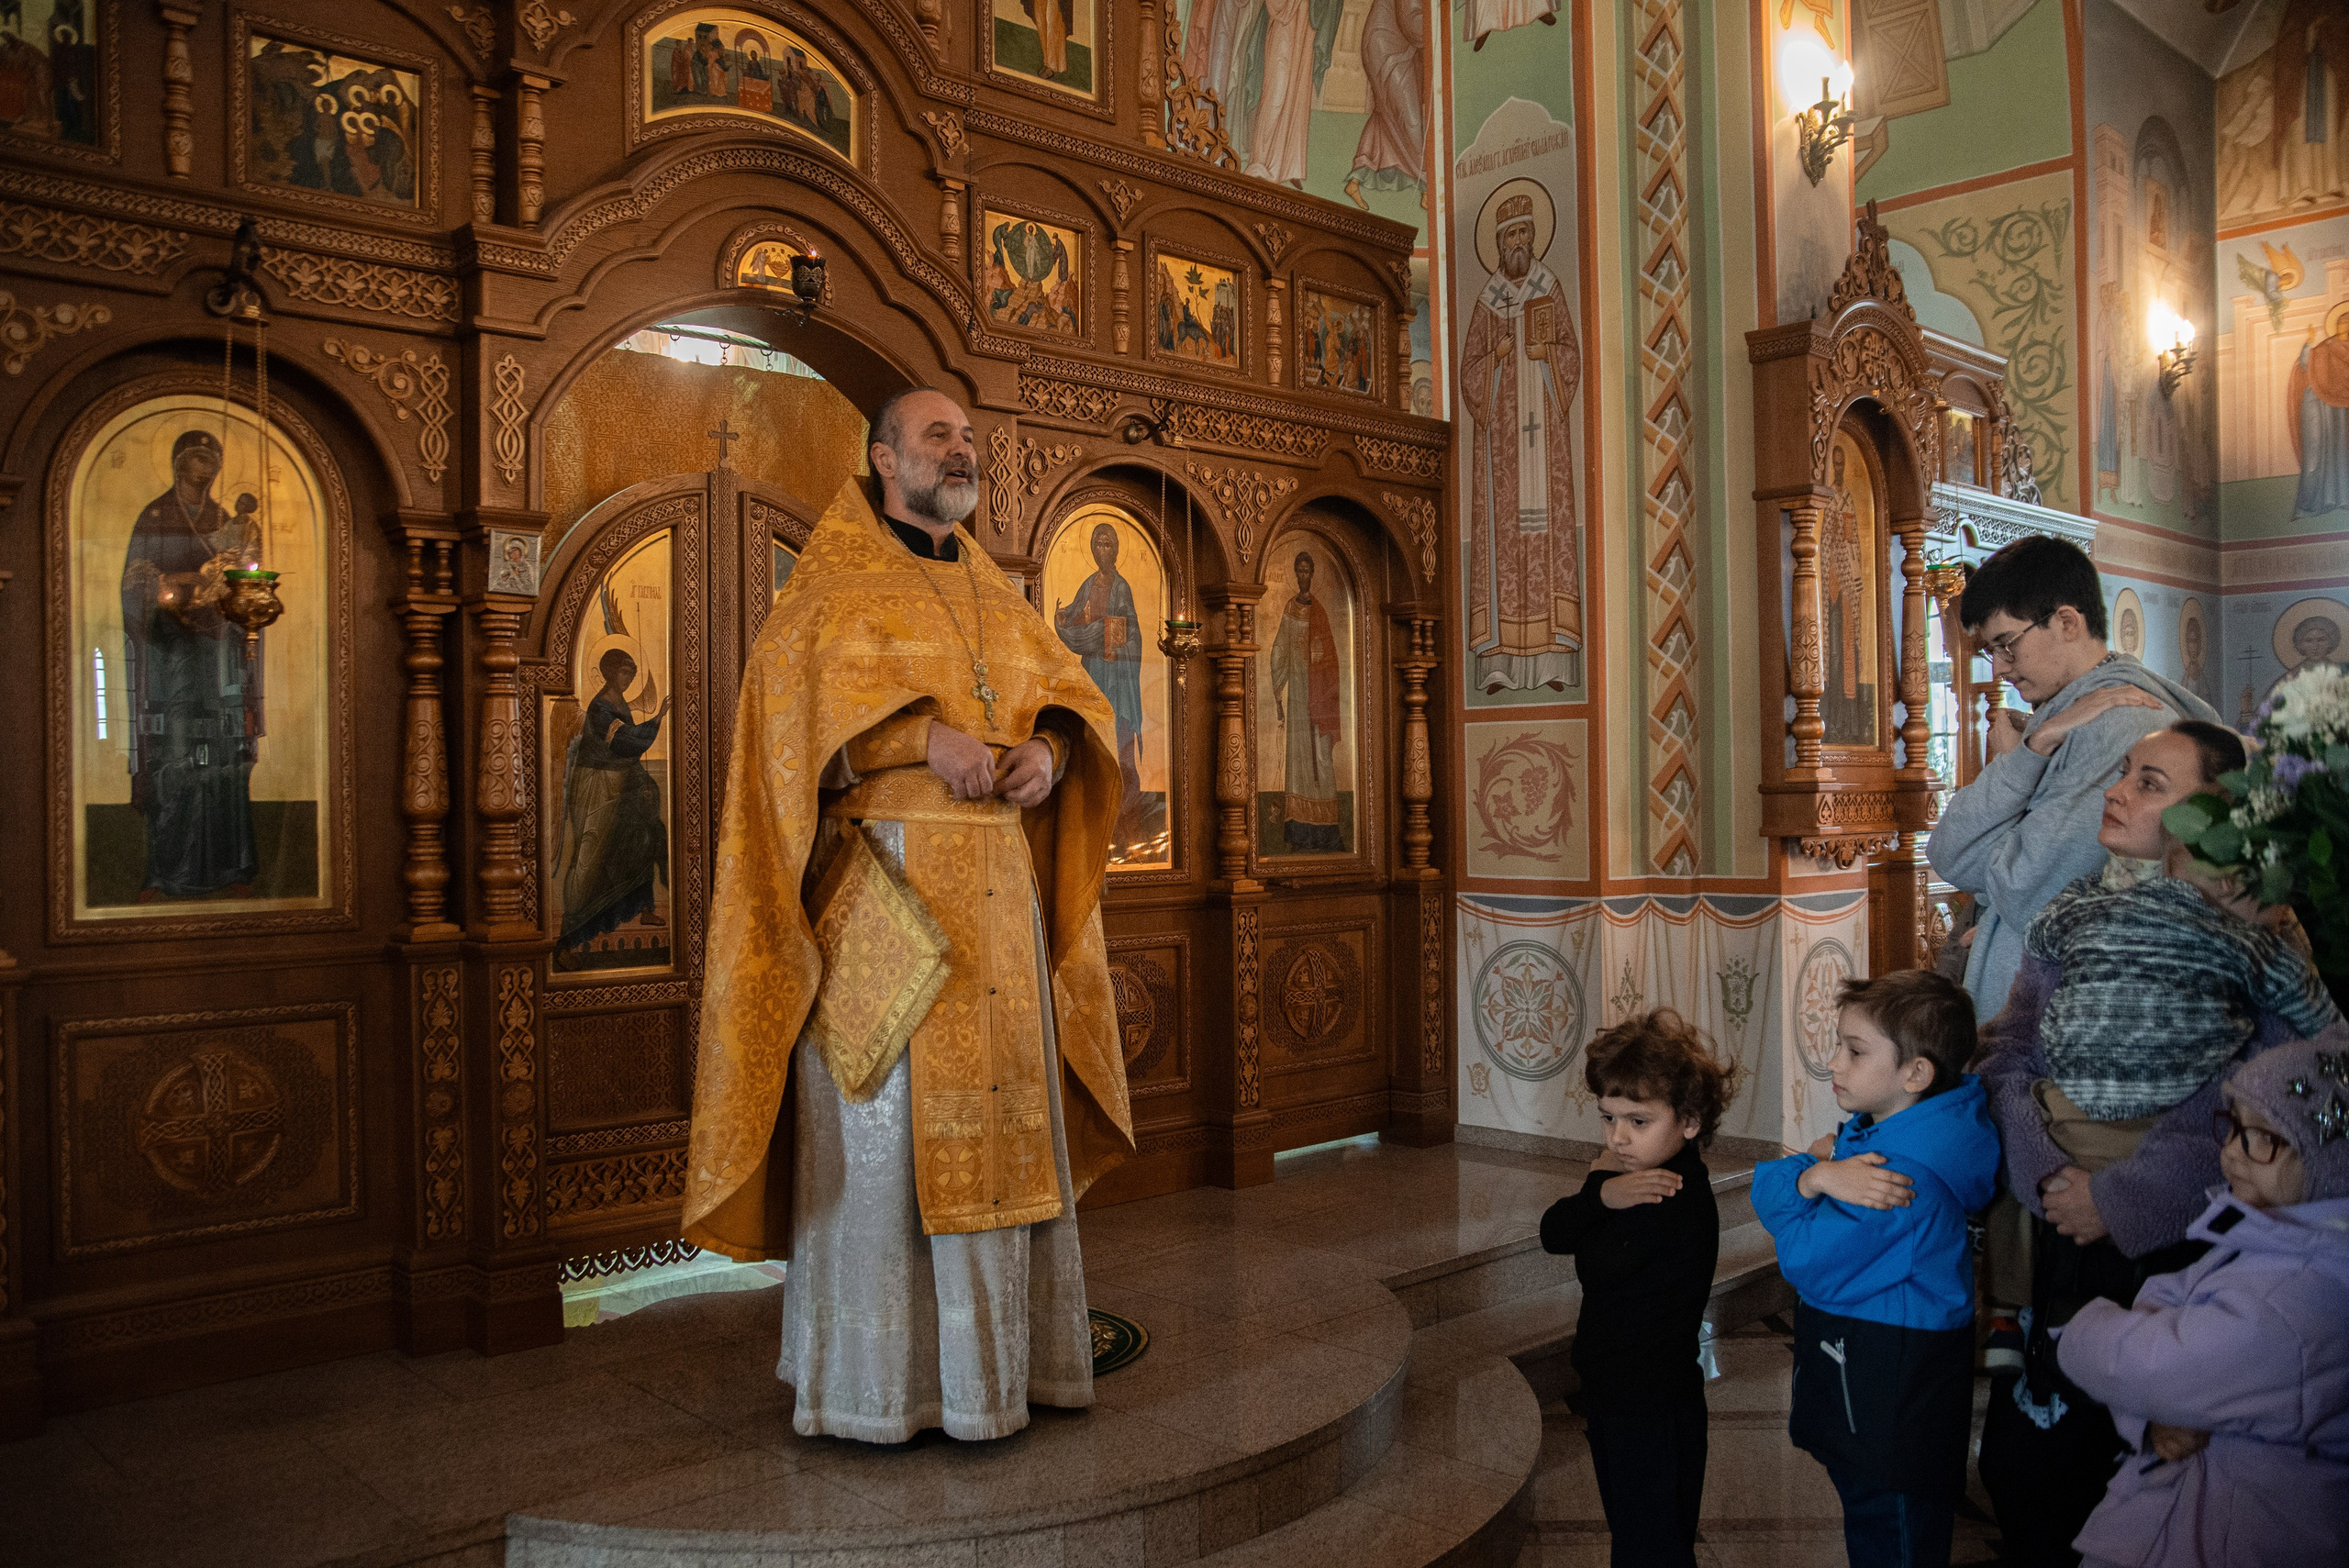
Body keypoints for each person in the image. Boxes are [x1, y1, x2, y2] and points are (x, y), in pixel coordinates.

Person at [683, 386, 1134, 1442]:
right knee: (881, 1155)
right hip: (887, 901)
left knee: (1006, 1131)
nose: (962, 452)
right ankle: (878, 1390)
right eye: (940, 436)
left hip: (1000, 906)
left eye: (969, 438)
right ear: (884, 458)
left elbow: (1074, 698)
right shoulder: (830, 587)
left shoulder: (995, 591)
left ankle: (1006, 1378)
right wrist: (913, 741)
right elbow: (780, 739)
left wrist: (1051, 752)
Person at [1974, 719, 2342, 1564]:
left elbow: (2270, 1095)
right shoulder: (2074, 910)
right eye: (2123, 772)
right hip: (2055, 1208)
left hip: (2174, 1226)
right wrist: (2042, 1167)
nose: (2117, 791)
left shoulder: (2264, 933)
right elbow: (2011, 1049)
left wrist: (2123, 1198)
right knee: (2028, 1466)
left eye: (2150, 782)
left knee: (2137, 1455)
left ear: (2215, 817)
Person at [2054, 1031, 2349, 1567]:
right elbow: (2164, 1307)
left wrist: (2077, 1326)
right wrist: (2151, 1419)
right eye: (2234, 1129)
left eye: (2264, 1139)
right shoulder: (2270, 1244)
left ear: (2333, 1163)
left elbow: (2148, 1367)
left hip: (2221, 1541)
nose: (2233, 1154)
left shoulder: (2297, 1299)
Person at [1752, 970, 1999, 1568]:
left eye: (1855, 1050)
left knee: (1891, 1532)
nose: (1833, 1061)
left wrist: (1807, 1175)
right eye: (1839, 1043)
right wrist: (1820, 1171)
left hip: (1888, 1391)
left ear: (1915, 1074)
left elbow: (1806, 1260)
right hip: (1887, 1375)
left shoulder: (1895, 1180)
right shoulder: (1894, 1135)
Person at [1926, 534, 2220, 1021]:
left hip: (2070, 1019)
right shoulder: (2062, 720)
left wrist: (1998, 863)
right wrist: (2028, 754)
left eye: (2006, 645)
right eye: (1991, 653)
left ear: (2066, 622)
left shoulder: (2120, 724)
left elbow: (2027, 888)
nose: (1999, 669)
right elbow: (1950, 851)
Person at [1538, 1010, 1731, 1568]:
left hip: (1653, 1401)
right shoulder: (1629, 1185)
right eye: (1608, 1119)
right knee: (1637, 1531)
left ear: (1690, 1122)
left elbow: (1594, 1266)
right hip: (1617, 1390)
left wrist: (1600, 1185)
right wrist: (1603, 1195)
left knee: (1652, 1545)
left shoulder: (1672, 1195)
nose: (1618, 1138)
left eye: (1638, 1122)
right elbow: (1554, 1233)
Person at [118, 428, 265, 903]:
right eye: (197, 458)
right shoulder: (155, 515)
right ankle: (166, 875)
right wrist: (170, 593)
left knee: (224, 757)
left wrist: (233, 592)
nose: (206, 467)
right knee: (174, 758)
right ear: (179, 462)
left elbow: (245, 586)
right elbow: (133, 583)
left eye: (212, 460)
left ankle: (232, 869)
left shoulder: (226, 519)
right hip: (169, 658)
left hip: (216, 654)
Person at [553, 649, 672, 970]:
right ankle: (566, 939)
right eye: (624, 671)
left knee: (645, 834)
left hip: (622, 781)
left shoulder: (619, 703)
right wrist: (658, 719)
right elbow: (621, 742)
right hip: (597, 785)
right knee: (589, 861)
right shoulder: (600, 707)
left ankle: (644, 906)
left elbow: (627, 752)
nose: (629, 677)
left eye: (632, 672)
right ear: (608, 673)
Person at [1053, 522, 1148, 852]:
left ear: (1116, 550)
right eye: (1097, 545)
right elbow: (1078, 615)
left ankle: (1130, 832)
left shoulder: (1122, 588)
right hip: (1094, 674)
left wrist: (1116, 647)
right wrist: (1065, 618)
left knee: (1121, 757)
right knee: (1090, 753)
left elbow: (1134, 634)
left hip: (1118, 682)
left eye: (1108, 545)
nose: (1102, 551)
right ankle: (1094, 837)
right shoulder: (1089, 584)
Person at [1268, 548, 1345, 851]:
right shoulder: (1289, 609)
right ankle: (1298, 833)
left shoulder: (1321, 612)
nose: (1303, 576)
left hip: (1318, 697)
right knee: (1299, 759)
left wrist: (1321, 658)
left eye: (1307, 570)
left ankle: (1327, 834)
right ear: (1295, 574)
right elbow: (1280, 649)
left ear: (1312, 575)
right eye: (1298, 570)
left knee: (1321, 759)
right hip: (1299, 695)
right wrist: (1277, 689)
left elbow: (1333, 660)